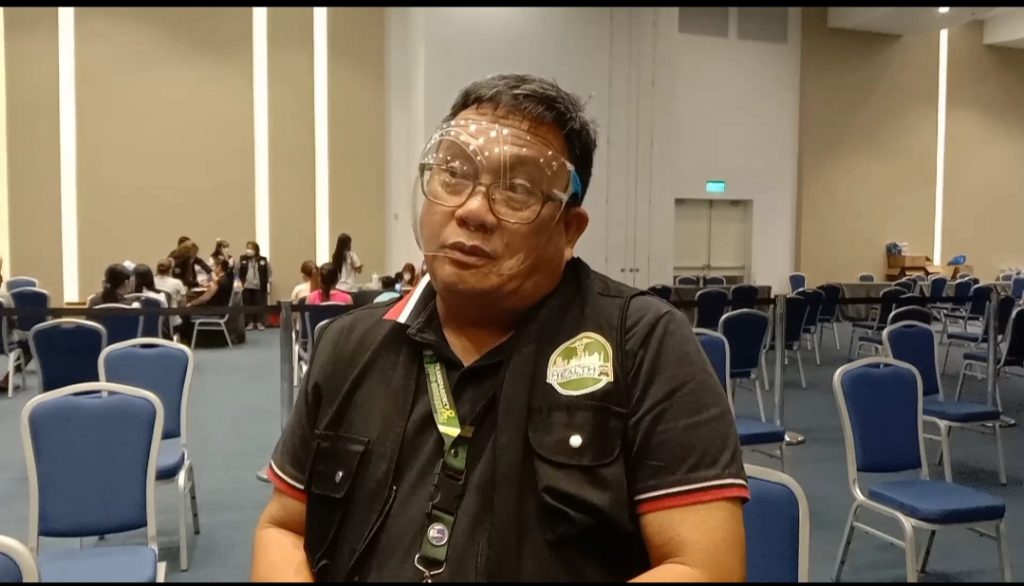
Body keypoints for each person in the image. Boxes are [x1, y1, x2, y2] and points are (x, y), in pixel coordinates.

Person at [252, 73, 747, 582]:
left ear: (569, 230)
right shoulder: (351, 345)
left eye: (517, 190)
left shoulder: (642, 344)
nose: (473, 210)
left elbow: (704, 566)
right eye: (453, 174)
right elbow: (284, 527)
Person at [181, 258, 234, 341]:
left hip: (214, 310)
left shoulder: (217, 282)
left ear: (219, 267)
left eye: (213, 266)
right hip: (222, 308)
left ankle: (187, 338)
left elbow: (205, 298)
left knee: (184, 311)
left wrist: (191, 303)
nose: (212, 269)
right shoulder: (227, 279)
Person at [238, 241, 272, 330]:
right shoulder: (242, 260)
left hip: (259, 286)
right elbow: (236, 271)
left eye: (251, 248)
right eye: (247, 248)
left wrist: (267, 281)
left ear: (255, 250)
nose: (248, 250)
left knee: (259, 304)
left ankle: (259, 322)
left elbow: (269, 272)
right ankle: (250, 322)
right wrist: (240, 282)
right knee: (248, 305)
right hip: (246, 286)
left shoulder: (263, 260)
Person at [154, 258, 187, 335]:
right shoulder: (177, 282)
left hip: (154, 319)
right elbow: (183, 304)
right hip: (172, 320)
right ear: (171, 270)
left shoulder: (151, 281)